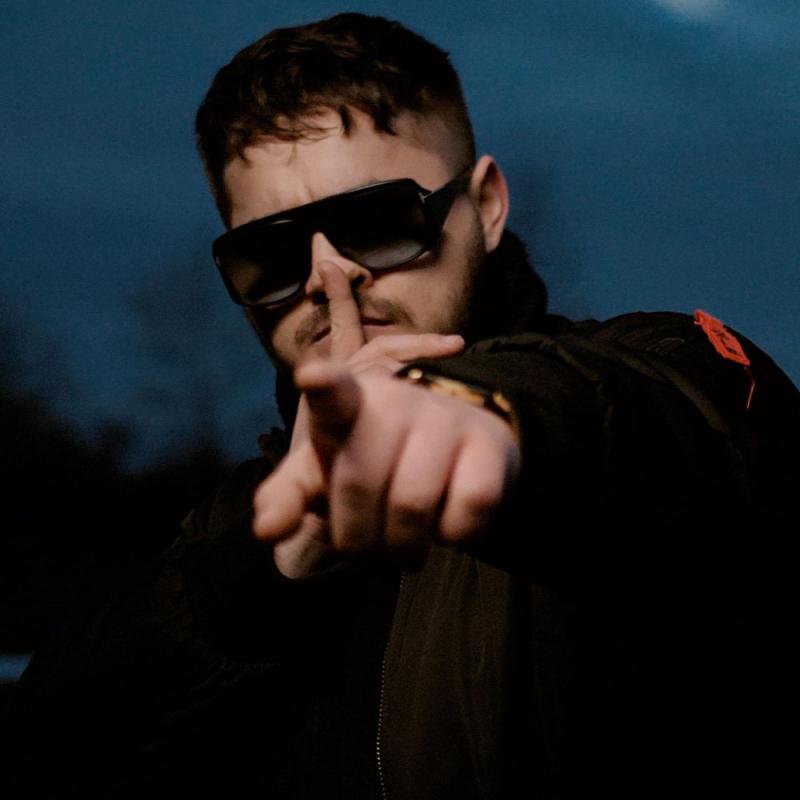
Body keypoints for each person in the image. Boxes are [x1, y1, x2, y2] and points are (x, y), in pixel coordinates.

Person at [3, 12, 798, 799]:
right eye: (271, 253)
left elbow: (678, 436)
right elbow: (46, 749)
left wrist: (486, 417)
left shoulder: (650, 375)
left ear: (486, 207)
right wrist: (259, 574)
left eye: (375, 222)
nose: (329, 277)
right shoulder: (229, 526)